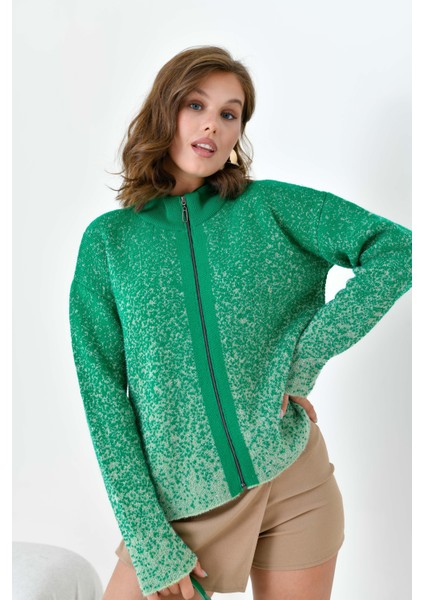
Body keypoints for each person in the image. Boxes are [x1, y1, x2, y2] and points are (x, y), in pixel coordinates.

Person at [68, 45, 412, 600]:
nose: (212, 124)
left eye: (229, 113)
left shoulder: (272, 208)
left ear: (238, 132)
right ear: (164, 112)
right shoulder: (109, 243)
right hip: (185, 504)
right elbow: (104, 398)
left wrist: (305, 357)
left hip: (294, 481)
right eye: (196, 105)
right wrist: (148, 540)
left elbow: (397, 250)